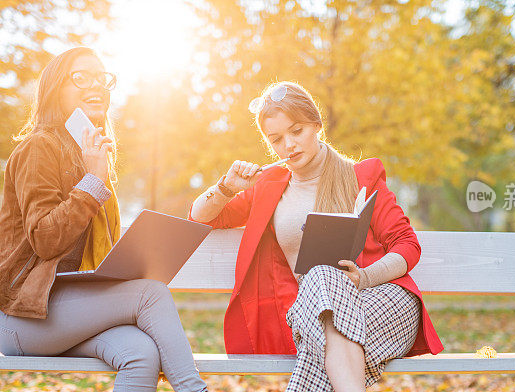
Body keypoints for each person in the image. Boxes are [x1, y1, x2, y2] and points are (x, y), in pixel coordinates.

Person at [0, 47, 207, 392]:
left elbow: (96, 254)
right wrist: (94, 182)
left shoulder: (91, 155)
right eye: (81, 77)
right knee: (151, 295)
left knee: (140, 352)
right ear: (56, 89)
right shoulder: (38, 148)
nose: (96, 85)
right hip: (19, 316)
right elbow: (45, 239)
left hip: (63, 310)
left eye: (102, 78)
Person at [189, 81, 444, 391]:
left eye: (296, 131)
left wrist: (363, 278)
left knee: (323, 283)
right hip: (316, 317)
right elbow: (202, 216)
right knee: (324, 310)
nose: (289, 146)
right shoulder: (268, 185)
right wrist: (227, 187)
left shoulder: (361, 176)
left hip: (384, 304)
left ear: (317, 124)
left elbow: (407, 244)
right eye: (277, 139)